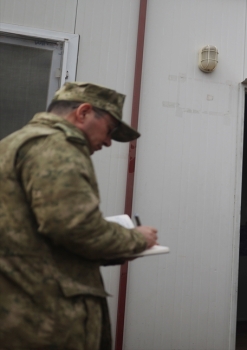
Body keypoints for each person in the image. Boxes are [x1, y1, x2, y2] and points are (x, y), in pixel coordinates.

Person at [0, 82, 159, 350]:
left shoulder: (13, 143)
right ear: (83, 112)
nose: (108, 142)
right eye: (109, 131)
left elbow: (39, 236)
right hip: (45, 320)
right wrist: (136, 239)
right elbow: (74, 227)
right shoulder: (57, 146)